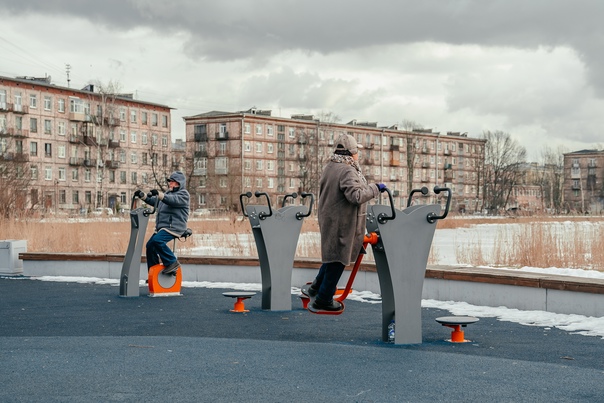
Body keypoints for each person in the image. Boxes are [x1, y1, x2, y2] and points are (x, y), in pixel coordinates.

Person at [305, 134, 387, 312]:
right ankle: (323, 299)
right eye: (357, 151)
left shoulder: (330, 167)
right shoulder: (347, 170)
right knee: (339, 260)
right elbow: (356, 196)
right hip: (342, 223)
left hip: (330, 218)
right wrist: (375, 188)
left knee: (332, 256)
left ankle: (316, 288)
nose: (358, 155)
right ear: (351, 153)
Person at [135, 171, 190, 275]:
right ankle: (154, 273)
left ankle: (172, 262)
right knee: (150, 245)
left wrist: (160, 195)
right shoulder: (168, 193)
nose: (170, 183)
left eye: (173, 182)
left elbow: (172, 200)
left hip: (174, 227)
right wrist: (143, 196)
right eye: (170, 181)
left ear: (179, 183)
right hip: (164, 227)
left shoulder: (183, 194)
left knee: (157, 241)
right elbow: (156, 201)